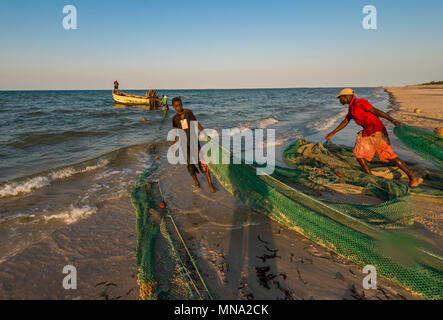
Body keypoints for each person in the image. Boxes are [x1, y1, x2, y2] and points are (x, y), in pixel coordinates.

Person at [325, 88, 423, 188]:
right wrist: (332, 132)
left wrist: (393, 121)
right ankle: (371, 177)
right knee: (358, 154)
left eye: (340, 98)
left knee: (389, 155)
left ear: (346, 96)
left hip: (377, 131)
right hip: (367, 132)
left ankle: (413, 177)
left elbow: (375, 111)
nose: (339, 100)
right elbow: (345, 121)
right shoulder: (351, 108)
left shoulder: (360, 102)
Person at [171, 97, 216, 192]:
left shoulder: (188, 113)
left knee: (202, 163)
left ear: (182, 104)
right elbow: (175, 132)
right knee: (190, 165)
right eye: (176, 106)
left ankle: (210, 184)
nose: (179, 107)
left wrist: (205, 133)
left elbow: (196, 124)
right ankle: (197, 183)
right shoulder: (174, 118)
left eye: (180, 105)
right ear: (173, 107)